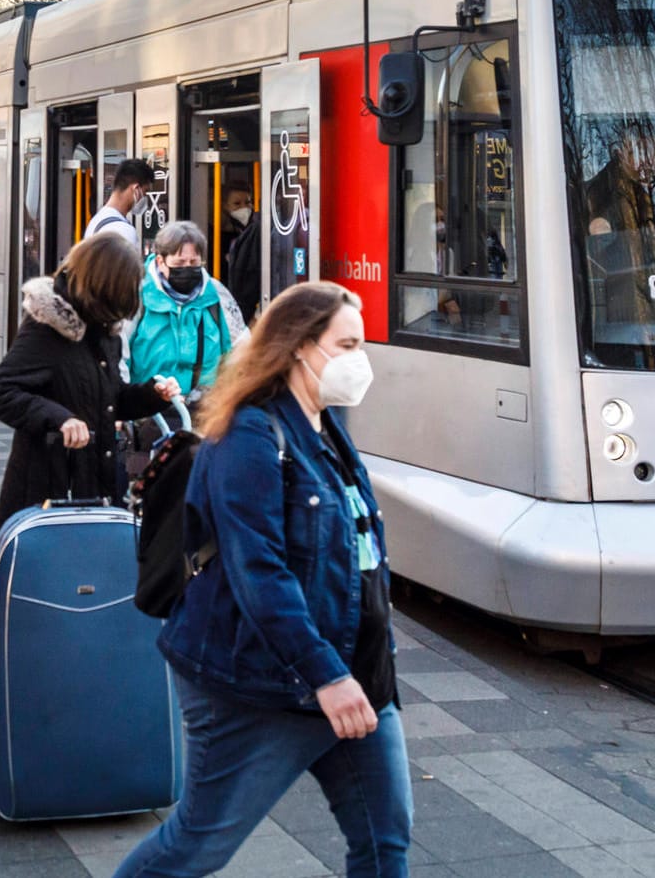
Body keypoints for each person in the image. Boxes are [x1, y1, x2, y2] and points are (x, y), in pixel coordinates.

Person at [113, 281, 409, 878]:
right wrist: (325, 675)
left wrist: (361, 665)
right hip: (259, 682)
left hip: (355, 674)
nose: (360, 360)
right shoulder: (249, 436)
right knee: (198, 845)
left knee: (385, 841)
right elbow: (259, 571)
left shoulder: (325, 424)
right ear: (300, 348)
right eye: (347, 344)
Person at [0, 234, 180, 527]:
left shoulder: (103, 330)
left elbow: (109, 400)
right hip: (46, 498)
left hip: (91, 491)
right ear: (105, 286)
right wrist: (60, 419)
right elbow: (0, 391)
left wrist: (153, 395)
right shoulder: (46, 328)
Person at [121, 220, 248, 405]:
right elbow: (119, 354)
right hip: (148, 414)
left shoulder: (217, 294)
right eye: (179, 263)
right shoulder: (137, 295)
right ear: (160, 261)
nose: (187, 268)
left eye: (194, 262)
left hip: (205, 413)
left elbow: (241, 347)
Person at [85, 158, 157, 247]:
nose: (145, 198)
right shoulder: (124, 231)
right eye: (145, 192)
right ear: (136, 189)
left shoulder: (95, 221)